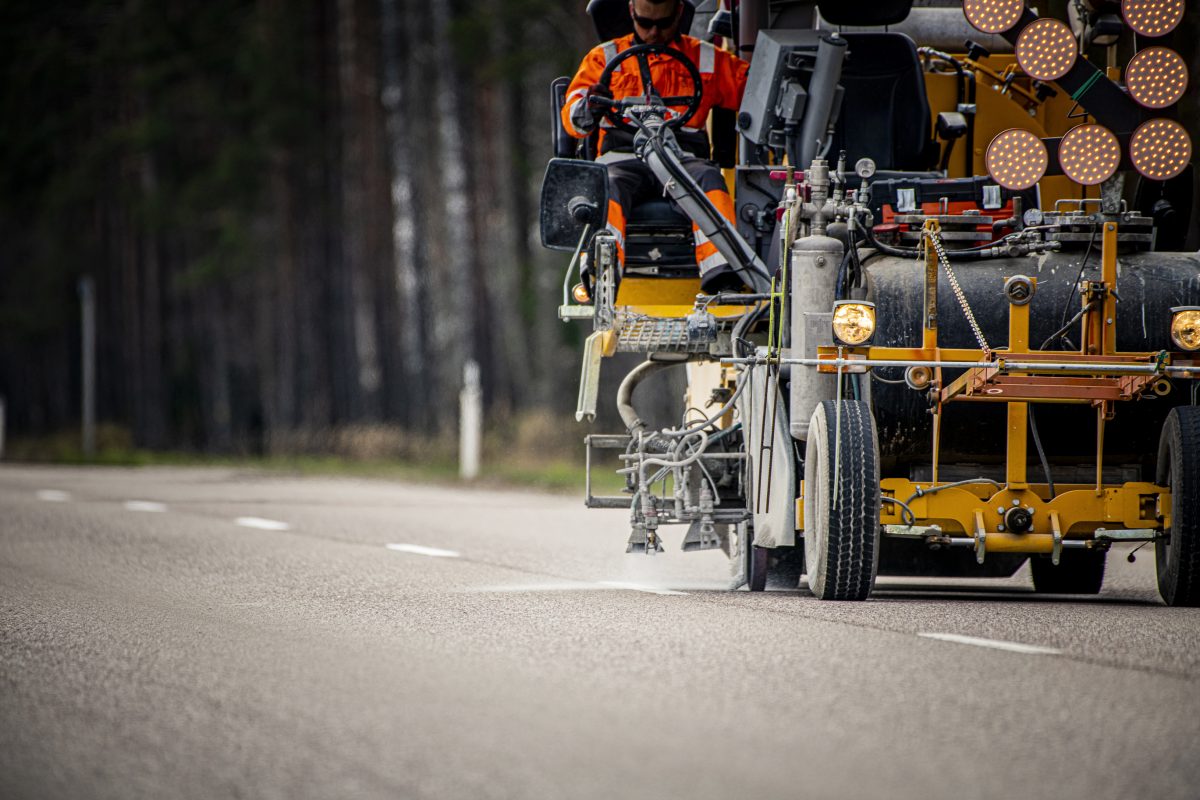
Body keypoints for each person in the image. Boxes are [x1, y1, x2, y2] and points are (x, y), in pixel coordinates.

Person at [561, 0, 750, 292]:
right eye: (645, 24)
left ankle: (724, 275)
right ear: (632, 12)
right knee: (605, 185)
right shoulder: (603, 58)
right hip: (621, 159)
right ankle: (602, 271)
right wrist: (589, 106)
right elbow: (572, 117)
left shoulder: (705, 59)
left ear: (679, 14)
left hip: (683, 159)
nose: (653, 34)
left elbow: (753, 90)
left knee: (710, 180)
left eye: (662, 24)